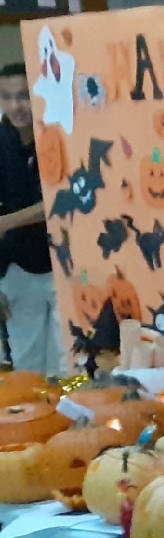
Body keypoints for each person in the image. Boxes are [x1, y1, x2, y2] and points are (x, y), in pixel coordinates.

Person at [0, 62, 60, 376]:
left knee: (69, 362)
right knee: (27, 363)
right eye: (6, 97)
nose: (16, 106)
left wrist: (8, 221)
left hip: (64, 264)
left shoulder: (58, 135)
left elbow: (59, 200)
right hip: (15, 268)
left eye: (23, 95)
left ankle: (68, 407)